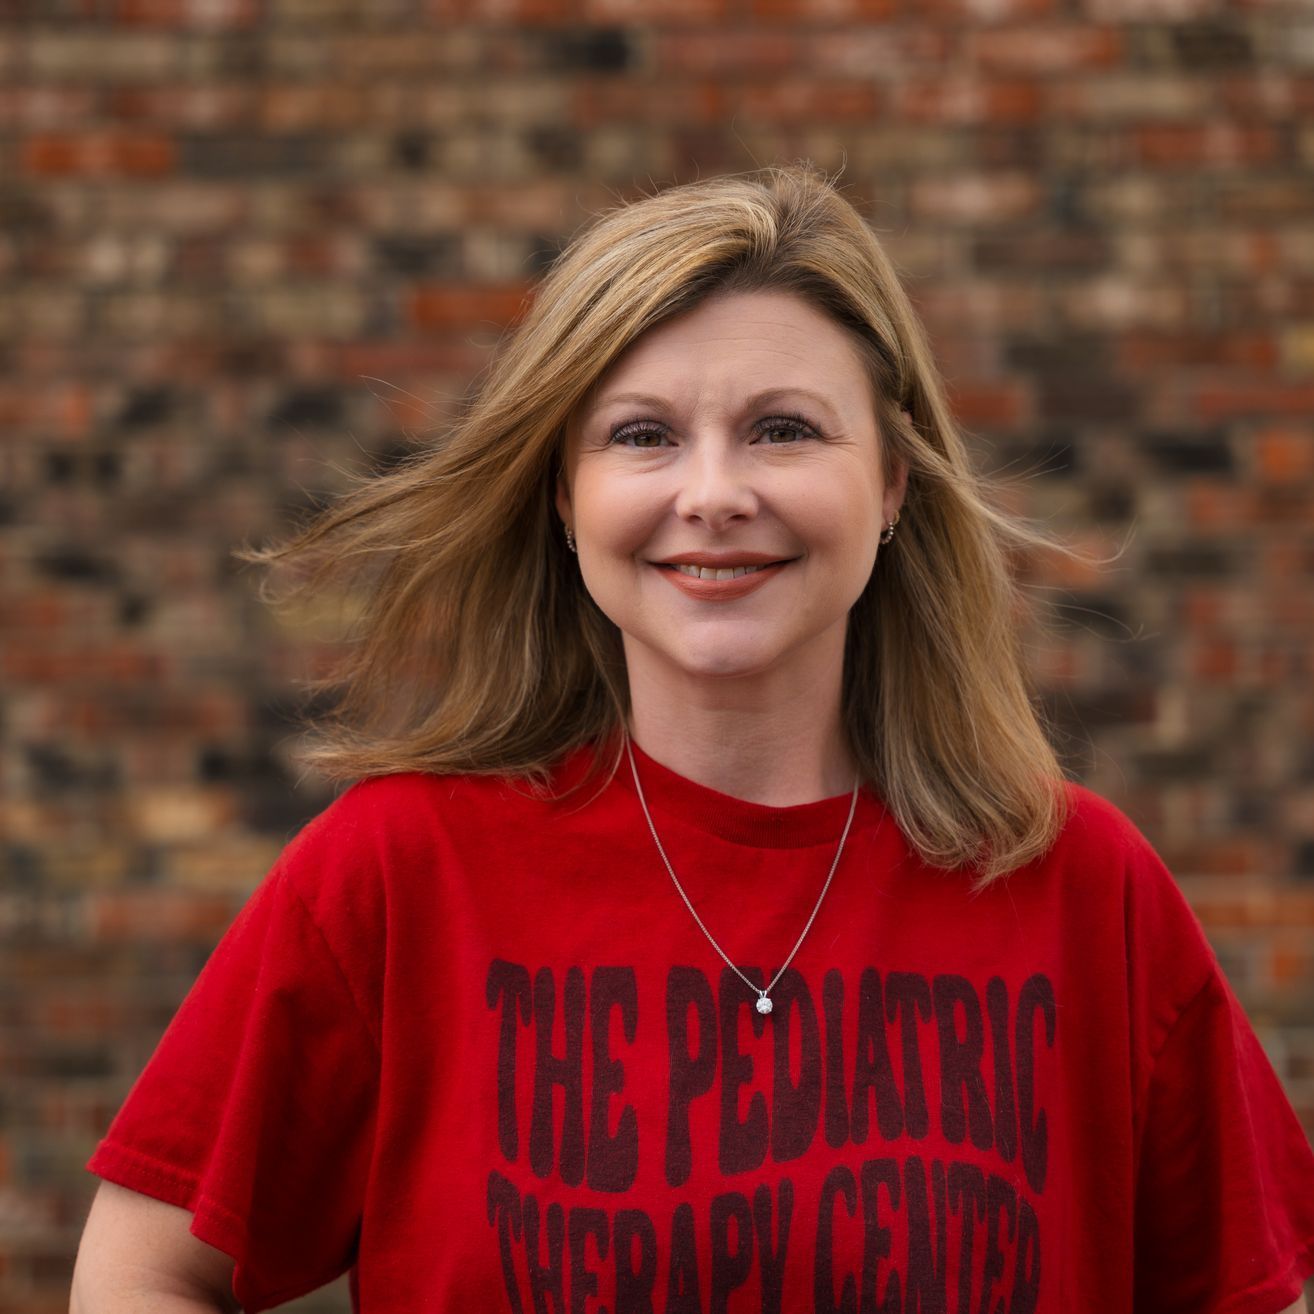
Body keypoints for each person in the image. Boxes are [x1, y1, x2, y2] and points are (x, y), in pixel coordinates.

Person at [71, 163, 1314, 1313]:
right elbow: (141, 1277)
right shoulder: (398, 873)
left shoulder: (1082, 889)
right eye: (642, 434)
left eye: (784, 428)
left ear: (889, 487)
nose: (713, 493)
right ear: (566, 496)